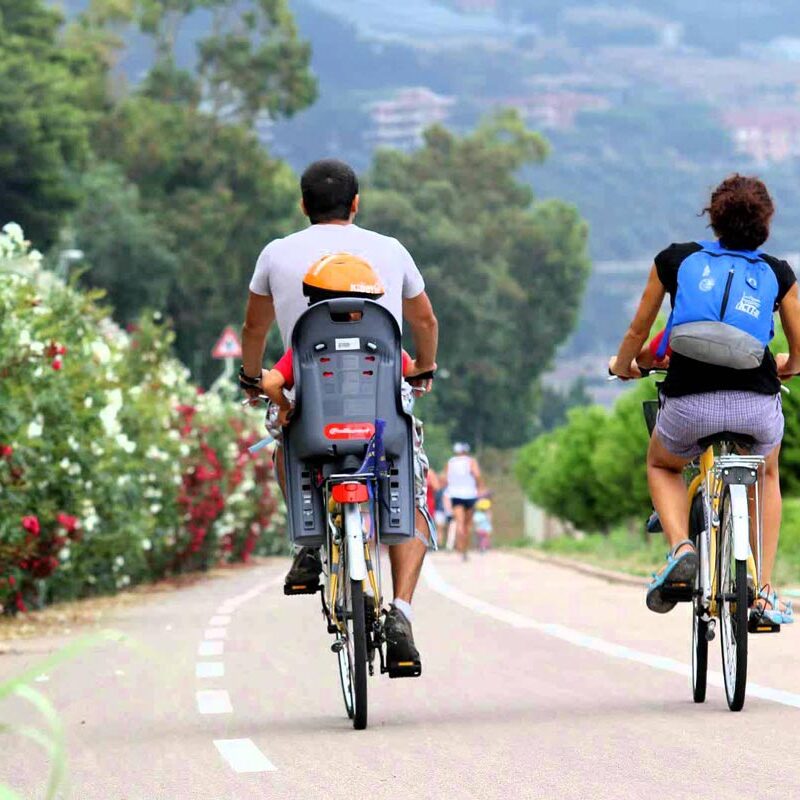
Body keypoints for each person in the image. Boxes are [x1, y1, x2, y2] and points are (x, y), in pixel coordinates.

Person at [240, 158, 439, 669]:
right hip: (381, 425)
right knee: (412, 488)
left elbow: (255, 330)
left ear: (303, 205)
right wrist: (423, 368)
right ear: (355, 203)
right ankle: (401, 611)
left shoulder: (276, 254)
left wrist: (257, 381)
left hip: (312, 421)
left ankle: (308, 544)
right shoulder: (390, 251)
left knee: (286, 446)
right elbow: (425, 321)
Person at [610, 174, 799, 624]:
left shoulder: (674, 260)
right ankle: (762, 591)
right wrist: (789, 365)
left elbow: (639, 331)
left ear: (713, 217)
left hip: (688, 406)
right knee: (766, 472)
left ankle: (681, 549)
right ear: (766, 223)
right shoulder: (778, 273)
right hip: (756, 407)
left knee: (662, 465)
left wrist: (623, 365)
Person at [445, 442, 485, 560]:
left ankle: (460, 547)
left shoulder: (451, 462)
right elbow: (477, 474)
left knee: (460, 523)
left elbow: (445, 478)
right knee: (468, 525)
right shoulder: (471, 461)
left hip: (455, 494)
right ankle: (465, 550)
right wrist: (480, 487)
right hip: (470, 494)